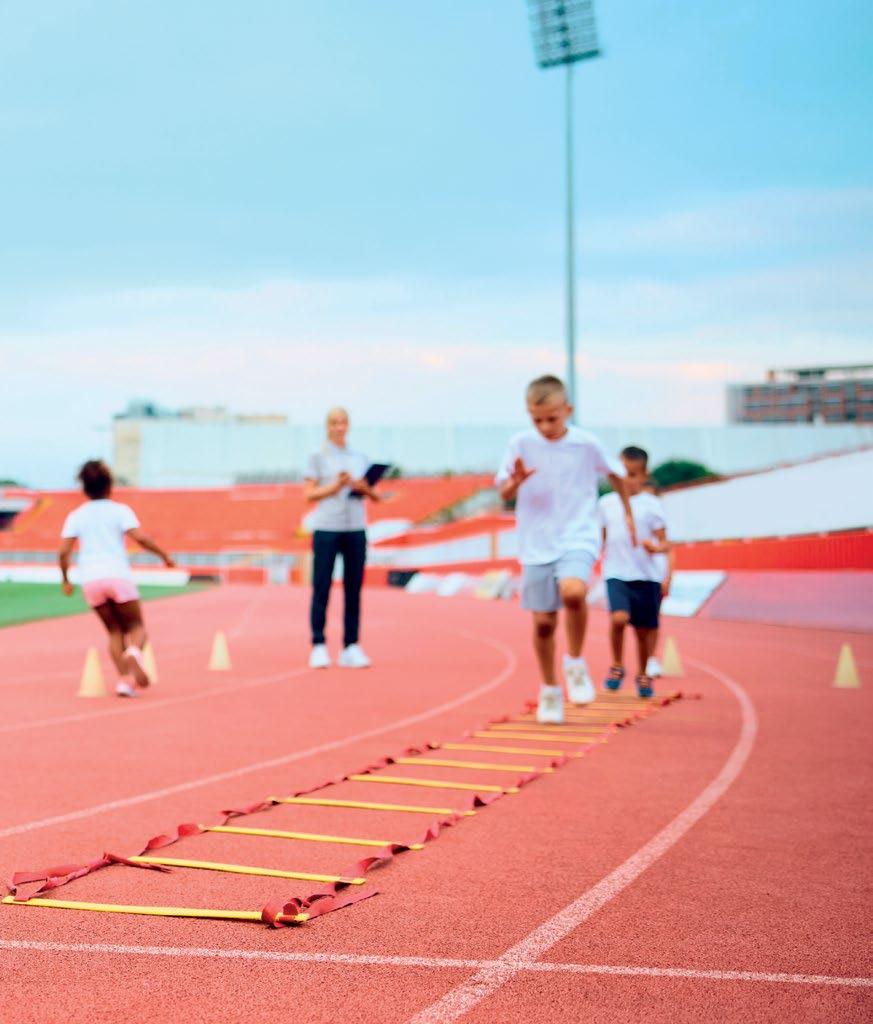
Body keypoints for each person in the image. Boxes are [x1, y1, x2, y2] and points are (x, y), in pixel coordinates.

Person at [496, 375, 634, 724]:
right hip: (536, 541)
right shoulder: (521, 443)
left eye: (552, 418)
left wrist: (628, 515)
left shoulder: (586, 444)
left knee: (573, 591)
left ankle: (574, 663)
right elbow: (504, 492)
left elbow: (617, 474)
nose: (545, 427)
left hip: (578, 534)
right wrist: (515, 482)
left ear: (567, 410)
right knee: (543, 623)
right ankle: (550, 689)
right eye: (537, 419)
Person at [59, 460, 175, 698]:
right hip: (117, 574)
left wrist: (66, 580)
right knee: (135, 626)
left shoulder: (76, 516)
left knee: (113, 631)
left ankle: (125, 681)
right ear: (109, 485)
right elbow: (141, 539)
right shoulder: (120, 511)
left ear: (84, 487)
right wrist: (164, 556)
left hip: (91, 578)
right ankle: (134, 653)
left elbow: (63, 552)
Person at [303, 407, 381, 670]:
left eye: (343, 422)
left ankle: (351, 645)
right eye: (334, 422)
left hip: (356, 527)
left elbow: (375, 495)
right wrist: (336, 486)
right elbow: (309, 494)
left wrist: (362, 487)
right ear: (327, 426)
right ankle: (318, 645)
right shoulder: (317, 456)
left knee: (354, 588)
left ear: (348, 425)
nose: (339, 427)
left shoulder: (360, 457)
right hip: (327, 527)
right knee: (322, 586)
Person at [597, 447, 671, 698]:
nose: (627, 480)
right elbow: (600, 539)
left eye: (632, 475)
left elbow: (666, 543)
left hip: (646, 576)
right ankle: (617, 665)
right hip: (616, 573)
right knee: (618, 619)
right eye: (622, 474)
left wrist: (656, 548)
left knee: (643, 631)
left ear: (644, 475)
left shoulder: (652, 505)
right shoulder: (606, 504)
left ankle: (643, 673)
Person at [642, 477, 675, 678]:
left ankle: (651, 658)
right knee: (636, 623)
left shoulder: (661, 523)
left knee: (653, 619)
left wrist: (668, 578)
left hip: (655, 577)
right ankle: (643, 658)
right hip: (636, 576)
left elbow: (670, 551)